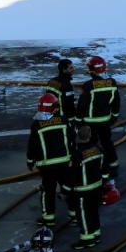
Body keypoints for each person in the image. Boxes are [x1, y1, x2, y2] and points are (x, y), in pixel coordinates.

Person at [27, 94, 74, 227]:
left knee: (48, 191)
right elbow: (72, 140)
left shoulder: (36, 125)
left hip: (47, 166)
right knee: (69, 187)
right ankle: (74, 214)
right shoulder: (64, 121)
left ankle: (49, 219)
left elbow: (32, 145)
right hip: (65, 162)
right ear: (54, 108)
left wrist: (30, 161)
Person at [77, 56, 119, 181]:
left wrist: (78, 120)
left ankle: (95, 169)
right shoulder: (112, 82)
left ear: (91, 70)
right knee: (107, 143)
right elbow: (116, 102)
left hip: (91, 122)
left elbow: (82, 104)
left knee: (92, 146)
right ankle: (113, 166)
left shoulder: (88, 86)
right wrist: (114, 117)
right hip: (105, 121)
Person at [69, 125, 103, 250]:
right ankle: (96, 234)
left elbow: (73, 174)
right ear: (89, 136)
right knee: (94, 211)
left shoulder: (77, 155)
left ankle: (87, 239)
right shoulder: (97, 149)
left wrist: (67, 190)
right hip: (97, 187)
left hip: (83, 190)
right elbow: (104, 169)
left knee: (83, 214)